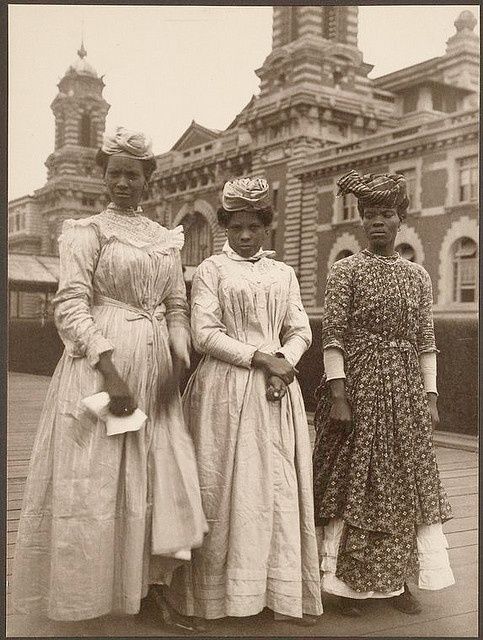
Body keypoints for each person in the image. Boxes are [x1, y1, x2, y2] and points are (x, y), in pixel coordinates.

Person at [11, 127, 207, 624]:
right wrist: (108, 368)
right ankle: (88, 591)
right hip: (102, 364)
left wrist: (179, 355)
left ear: (148, 179)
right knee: (96, 479)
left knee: (159, 479)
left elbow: (177, 305)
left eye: (133, 175)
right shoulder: (86, 230)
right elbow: (71, 303)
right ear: (105, 176)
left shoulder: (167, 239)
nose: (123, 183)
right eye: (115, 173)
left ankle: (152, 587)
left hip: (155, 364)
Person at [167, 177, 323, 626]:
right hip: (226, 388)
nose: (246, 235)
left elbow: (300, 330)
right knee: (228, 488)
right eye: (237, 227)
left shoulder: (283, 273)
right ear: (225, 226)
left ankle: (277, 593)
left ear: (267, 226)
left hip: (277, 392)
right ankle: (222, 598)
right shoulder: (212, 270)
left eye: (255, 226)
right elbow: (204, 333)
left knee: (276, 488)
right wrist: (260, 359)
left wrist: (284, 363)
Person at [312, 170, 454, 617]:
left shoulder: (417, 276)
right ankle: (342, 585)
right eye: (370, 215)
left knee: (403, 484)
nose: (378, 222)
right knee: (355, 482)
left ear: (400, 220)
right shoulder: (346, 271)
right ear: (360, 221)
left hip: (405, 391)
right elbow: (333, 335)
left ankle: (398, 583)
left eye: (387, 214)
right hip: (358, 385)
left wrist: (429, 396)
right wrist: (338, 394)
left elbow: (426, 339)